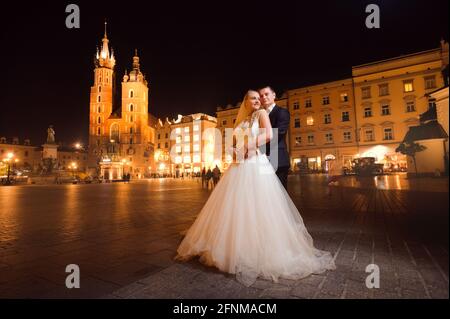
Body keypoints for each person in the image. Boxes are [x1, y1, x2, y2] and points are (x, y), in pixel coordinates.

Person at [175, 90, 335, 287]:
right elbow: (233, 141)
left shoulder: (261, 115)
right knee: (235, 206)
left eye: (259, 98)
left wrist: (249, 146)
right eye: (253, 98)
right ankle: (230, 246)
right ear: (245, 101)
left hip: (255, 161)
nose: (257, 100)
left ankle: (257, 249)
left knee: (258, 204)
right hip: (238, 164)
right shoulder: (242, 119)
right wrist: (233, 150)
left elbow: (269, 134)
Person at [259, 86, 290, 190]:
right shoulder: (260, 115)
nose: (263, 97)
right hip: (263, 160)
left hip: (278, 159)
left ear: (274, 95)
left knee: (280, 195)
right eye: (261, 95)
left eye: (266, 94)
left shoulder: (282, 112)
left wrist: (254, 143)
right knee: (266, 194)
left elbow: (279, 132)